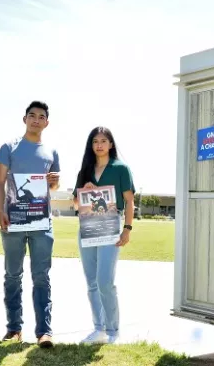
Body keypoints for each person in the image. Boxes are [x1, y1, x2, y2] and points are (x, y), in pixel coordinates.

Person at [0, 100, 60, 348]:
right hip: (13, 221)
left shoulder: (51, 152)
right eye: (31, 115)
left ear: (46, 122)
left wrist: (54, 181)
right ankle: (13, 329)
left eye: (41, 117)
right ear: (25, 119)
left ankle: (44, 332)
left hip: (42, 223)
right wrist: (1, 211)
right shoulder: (9, 147)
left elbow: (52, 187)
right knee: (13, 276)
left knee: (41, 276)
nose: (36, 120)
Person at [72, 126, 135, 344]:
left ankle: (113, 331)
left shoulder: (120, 168)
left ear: (111, 144)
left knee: (105, 280)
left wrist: (127, 228)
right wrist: (87, 190)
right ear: (91, 145)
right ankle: (98, 329)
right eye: (95, 141)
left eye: (103, 141)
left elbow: (129, 201)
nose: (99, 145)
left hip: (110, 223)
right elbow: (75, 202)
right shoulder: (85, 170)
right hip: (87, 225)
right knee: (91, 281)